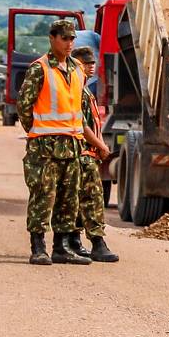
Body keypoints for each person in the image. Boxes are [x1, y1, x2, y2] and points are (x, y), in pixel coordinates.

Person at [15, 17, 90, 265]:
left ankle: (62, 247)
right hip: (45, 146)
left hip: (72, 144)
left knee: (69, 199)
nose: (69, 43)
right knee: (43, 196)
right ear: (53, 38)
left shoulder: (78, 69)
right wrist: (36, 131)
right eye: (64, 38)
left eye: (72, 39)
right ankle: (38, 247)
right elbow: (24, 106)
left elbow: (80, 105)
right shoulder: (39, 68)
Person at [58, 40, 119, 263]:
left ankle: (75, 240)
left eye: (93, 63)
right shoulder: (78, 92)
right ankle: (96, 243)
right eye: (86, 63)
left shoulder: (84, 91)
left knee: (79, 200)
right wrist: (101, 146)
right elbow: (82, 126)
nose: (91, 67)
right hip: (82, 154)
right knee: (92, 200)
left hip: (87, 154)